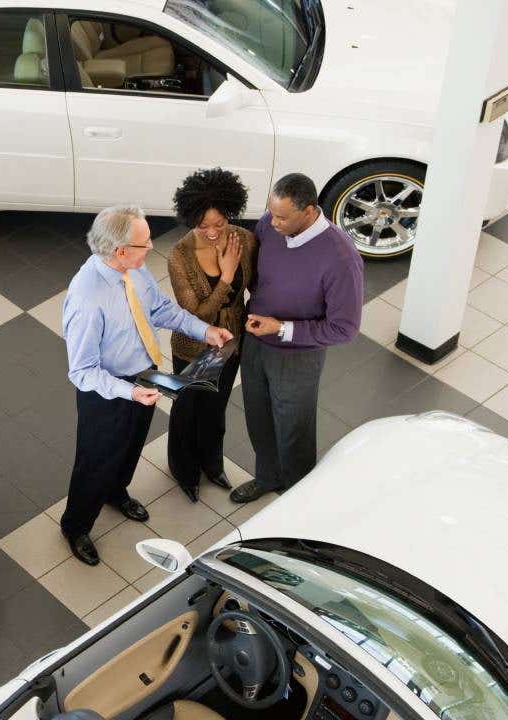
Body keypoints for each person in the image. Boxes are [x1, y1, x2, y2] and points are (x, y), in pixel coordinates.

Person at [61, 205, 233, 566]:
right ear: (120, 251)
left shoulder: (134, 273)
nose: (152, 247)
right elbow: (82, 371)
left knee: (131, 445)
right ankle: (76, 525)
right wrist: (129, 391)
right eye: (145, 243)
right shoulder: (87, 298)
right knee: (96, 460)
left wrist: (205, 330)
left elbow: (159, 310)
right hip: (108, 392)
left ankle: (116, 491)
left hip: (143, 376)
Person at [229, 173, 363, 504]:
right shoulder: (269, 226)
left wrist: (282, 328)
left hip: (298, 355)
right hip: (256, 344)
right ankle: (267, 477)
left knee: (294, 430)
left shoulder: (341, 258)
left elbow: (344, 328)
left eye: (282, 216)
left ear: (309, 211)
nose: (271, 222)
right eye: (271, 213)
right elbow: (260, 275)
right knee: (258, 417)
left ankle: (297, 498)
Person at [166, 168, 257, 503]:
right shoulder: (180, 256)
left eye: (220, 223)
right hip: (194, 347)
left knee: (215, 408)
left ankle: (212, 464)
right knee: (187, 410)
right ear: (191, 220)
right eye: (203, 226)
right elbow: (197, 314)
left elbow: (255, 286)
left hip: (230, 343)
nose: (213, 232)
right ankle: (184, 471)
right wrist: (226, 276)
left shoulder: (244, 240)